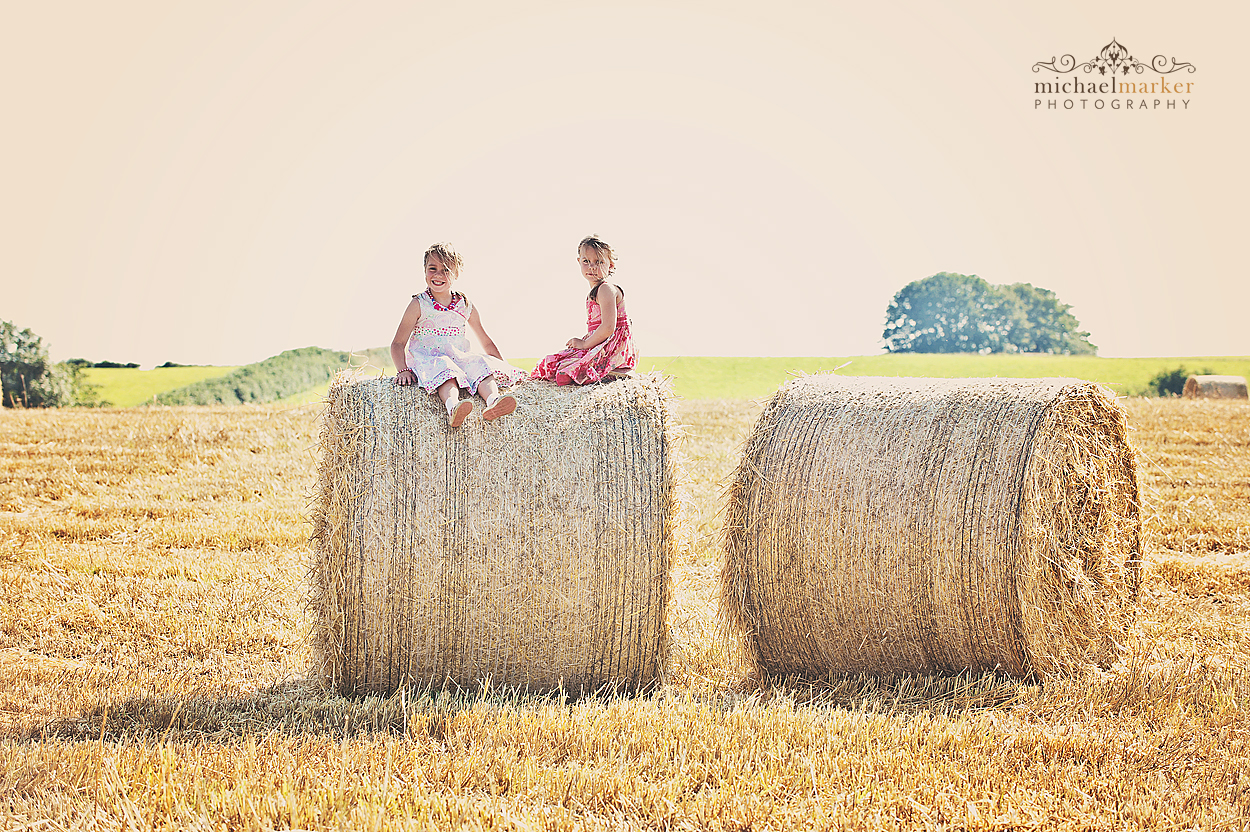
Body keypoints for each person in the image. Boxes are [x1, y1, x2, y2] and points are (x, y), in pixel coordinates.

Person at [391, 242, 524, 426]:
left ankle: (493, 401)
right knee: (446, 370)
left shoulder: (464, 304)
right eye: (432, 268)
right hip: (430, 360)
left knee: (479, 363)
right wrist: (402, 370)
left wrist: (504, 366)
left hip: (458, 358)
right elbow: (398, 343)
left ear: (457, 273)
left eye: (445, 270)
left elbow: (485, 341)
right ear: (424, 270)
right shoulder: (418, 304)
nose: (438, 274)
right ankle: (453, 407)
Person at [531, 235, 638, 385]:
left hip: (612, 349)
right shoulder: (597, 291)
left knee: (563, 367)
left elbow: (608, 327)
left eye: (599, 262)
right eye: (586, 261)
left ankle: (616, 369)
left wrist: (584, 344)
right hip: (602, 344)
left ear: (611, 265)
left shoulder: (606, 289)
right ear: (579, 261)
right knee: (556, 364)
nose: (592, 267)